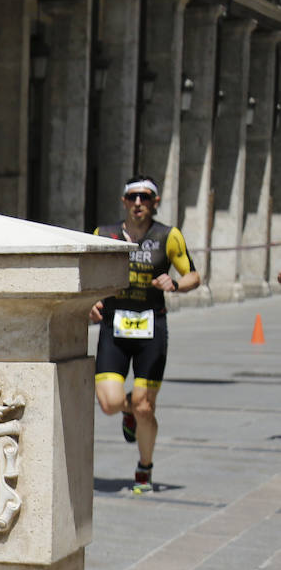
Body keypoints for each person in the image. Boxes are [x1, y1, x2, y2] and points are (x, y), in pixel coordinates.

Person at [90, 175, 200, 492]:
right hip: (114, 325)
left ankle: (144, 467)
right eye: (134, 197)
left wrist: (176, 284)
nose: (139, 203)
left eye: (146, 198)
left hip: (151, 326)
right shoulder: (105, 235)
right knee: (110, 403)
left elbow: (193, 274)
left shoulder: (168, 236)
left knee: (145, 406)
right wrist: (90, 301)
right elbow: (89, 274)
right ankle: (128, 414)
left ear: (155, 202)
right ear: (124, 201)